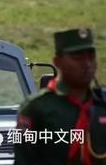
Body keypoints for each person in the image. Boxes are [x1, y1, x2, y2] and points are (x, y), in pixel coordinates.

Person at [14, 28, 106, 165]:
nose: (87, 65)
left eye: (91, 57)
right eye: (78, 58)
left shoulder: (101, 106)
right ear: (57, 62)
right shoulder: (37, 108)